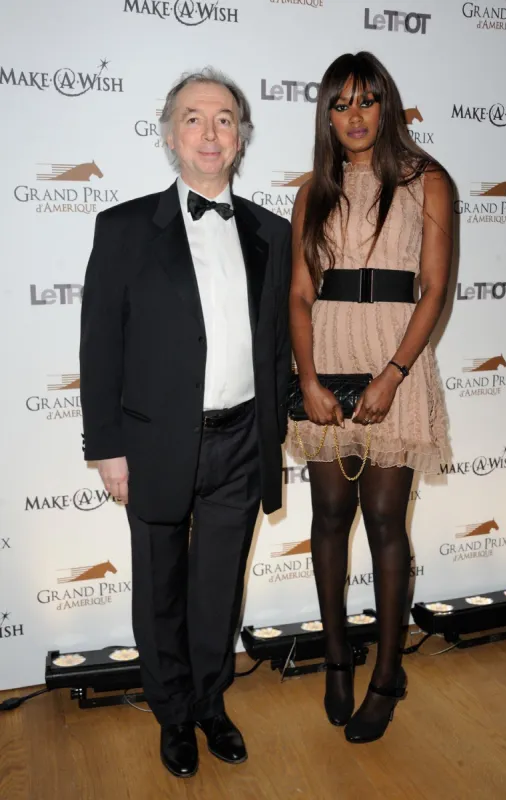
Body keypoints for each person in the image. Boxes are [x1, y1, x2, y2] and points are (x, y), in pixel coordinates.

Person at [79, 68, 291, 778]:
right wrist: (107, 448)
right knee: (159, 584)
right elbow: (99, 344)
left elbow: (279, 342)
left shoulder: (271, 231)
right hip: (153, 441)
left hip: (241, 440)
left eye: (225, 119)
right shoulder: (125, 227)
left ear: (241, 137)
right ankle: (170, 714)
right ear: (169, 134)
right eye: (194, 118)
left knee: (217, 587)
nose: (210, 132)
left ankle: (208, 702)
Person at [288, 51, 452, 743]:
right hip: (325, 355)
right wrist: (307, 377)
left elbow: (433, 290)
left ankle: (387, 674)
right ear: (326, 114)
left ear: (386, 105)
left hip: (395, 358)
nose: (352, 117)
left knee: (385, 520)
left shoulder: (426, 181)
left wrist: (391, 374)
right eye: (338, 103)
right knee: (328, 513)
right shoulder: (310, 190)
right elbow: (298, 293)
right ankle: (334, 658)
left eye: (364, 101)